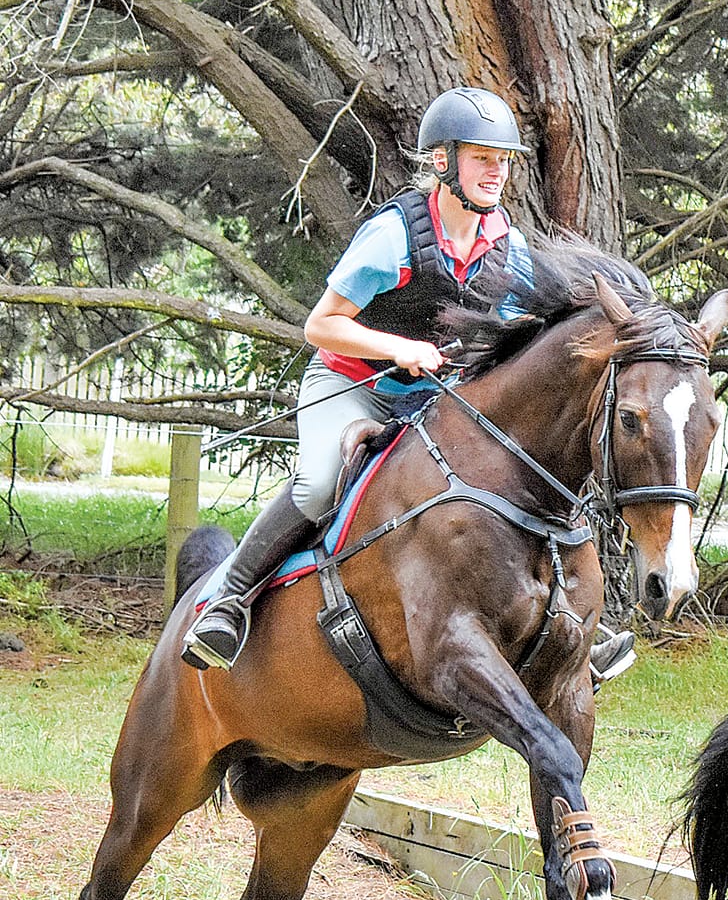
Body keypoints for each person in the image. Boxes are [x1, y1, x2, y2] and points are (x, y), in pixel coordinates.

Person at [182, 88, 634, 681]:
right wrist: (401, 348)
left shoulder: (509, 245)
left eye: (503, 160)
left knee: (509, 486)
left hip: (431, 399)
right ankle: (229, 603)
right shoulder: (394, 235)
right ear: (443, 161)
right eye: (481, 158)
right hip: (352, 385)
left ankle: (571, 629)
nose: (496, 172)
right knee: (320, 486)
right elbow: (321, 324)